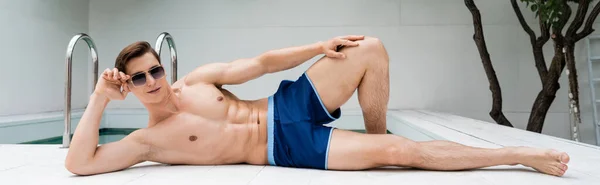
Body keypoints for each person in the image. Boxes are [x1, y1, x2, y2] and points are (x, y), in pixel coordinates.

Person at [65, 35, 570, 177]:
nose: (154, 80)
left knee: (368, 47)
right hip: (288, 146)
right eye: (140, 77)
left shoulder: (196, 81)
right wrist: (97, 100)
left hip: (285, 103)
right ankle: (517, 155)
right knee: (405, 155)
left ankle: (376, 137)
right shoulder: (147, 142)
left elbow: (261, 63)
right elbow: (78, 163)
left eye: (156, 69)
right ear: (128, 86)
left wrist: (317, 48)